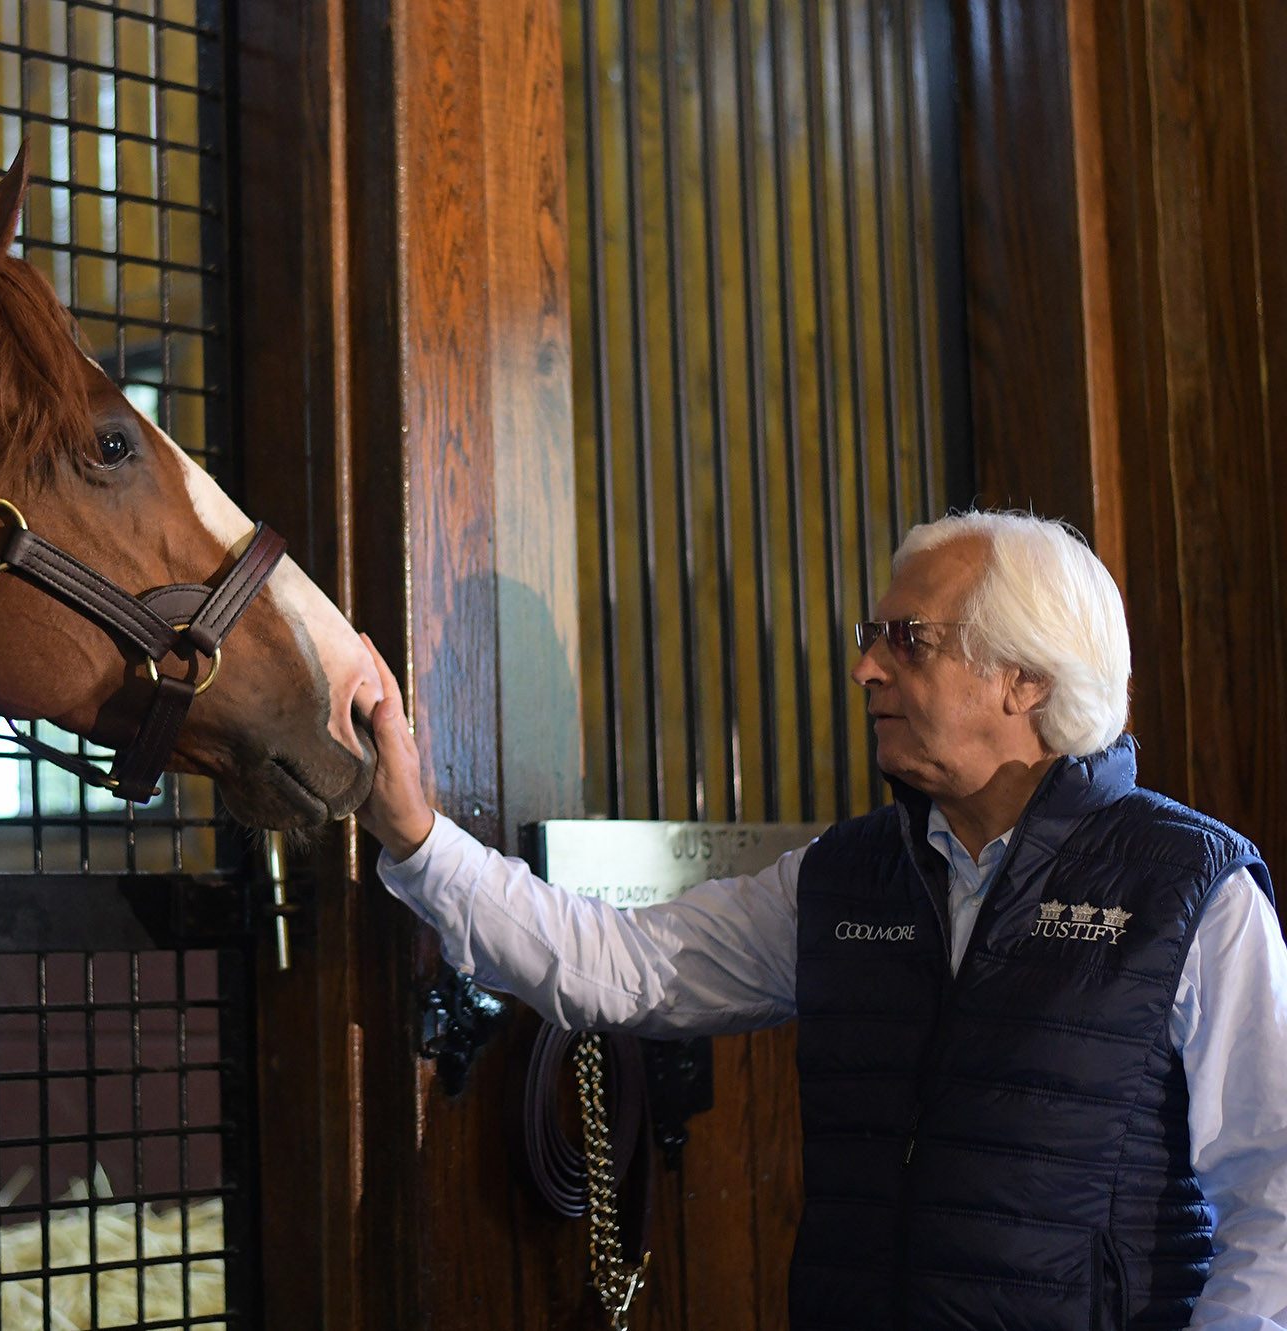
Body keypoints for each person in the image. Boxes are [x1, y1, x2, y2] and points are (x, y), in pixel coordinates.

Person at [355, 511, 1287, 1331]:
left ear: (1025, 680)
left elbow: (1273, 1190)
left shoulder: (1190, 887)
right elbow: (622, 966)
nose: (864, 666)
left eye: (907, 639)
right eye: (872, 635)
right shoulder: (846, 878)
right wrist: (416, 836)